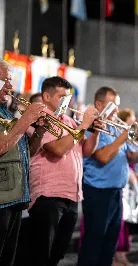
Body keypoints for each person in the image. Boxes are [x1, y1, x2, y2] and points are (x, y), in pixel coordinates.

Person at [77, 87, 138, 266]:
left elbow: (130, 157)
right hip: (97, 191)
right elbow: (102, 157)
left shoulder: (114, 126)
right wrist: (124, 137)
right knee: (94, 241)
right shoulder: (92, 126)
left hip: (116, 191)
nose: (117, 111)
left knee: (110, 242)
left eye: (117, 106)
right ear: (99, 104)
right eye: (113, 105)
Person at [27, 77, 100, 266]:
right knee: (40, 254)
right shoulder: (39, 118)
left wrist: (95, 130)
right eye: (62, 97)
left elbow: (87, 151)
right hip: (48, 194)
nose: (68, 102)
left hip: (72, 194)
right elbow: (58, 149)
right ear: (46, 96)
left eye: (69, 98)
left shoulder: (68, 120)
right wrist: (84, 125)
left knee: (57, 253)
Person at [0, 60, 47, 266]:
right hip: (2, 198)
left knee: (8, 258)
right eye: (5, 80)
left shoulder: (7, 113)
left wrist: (39, 131)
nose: (10, 86)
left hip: (15, 196)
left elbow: (27, 152)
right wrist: (26, 119)